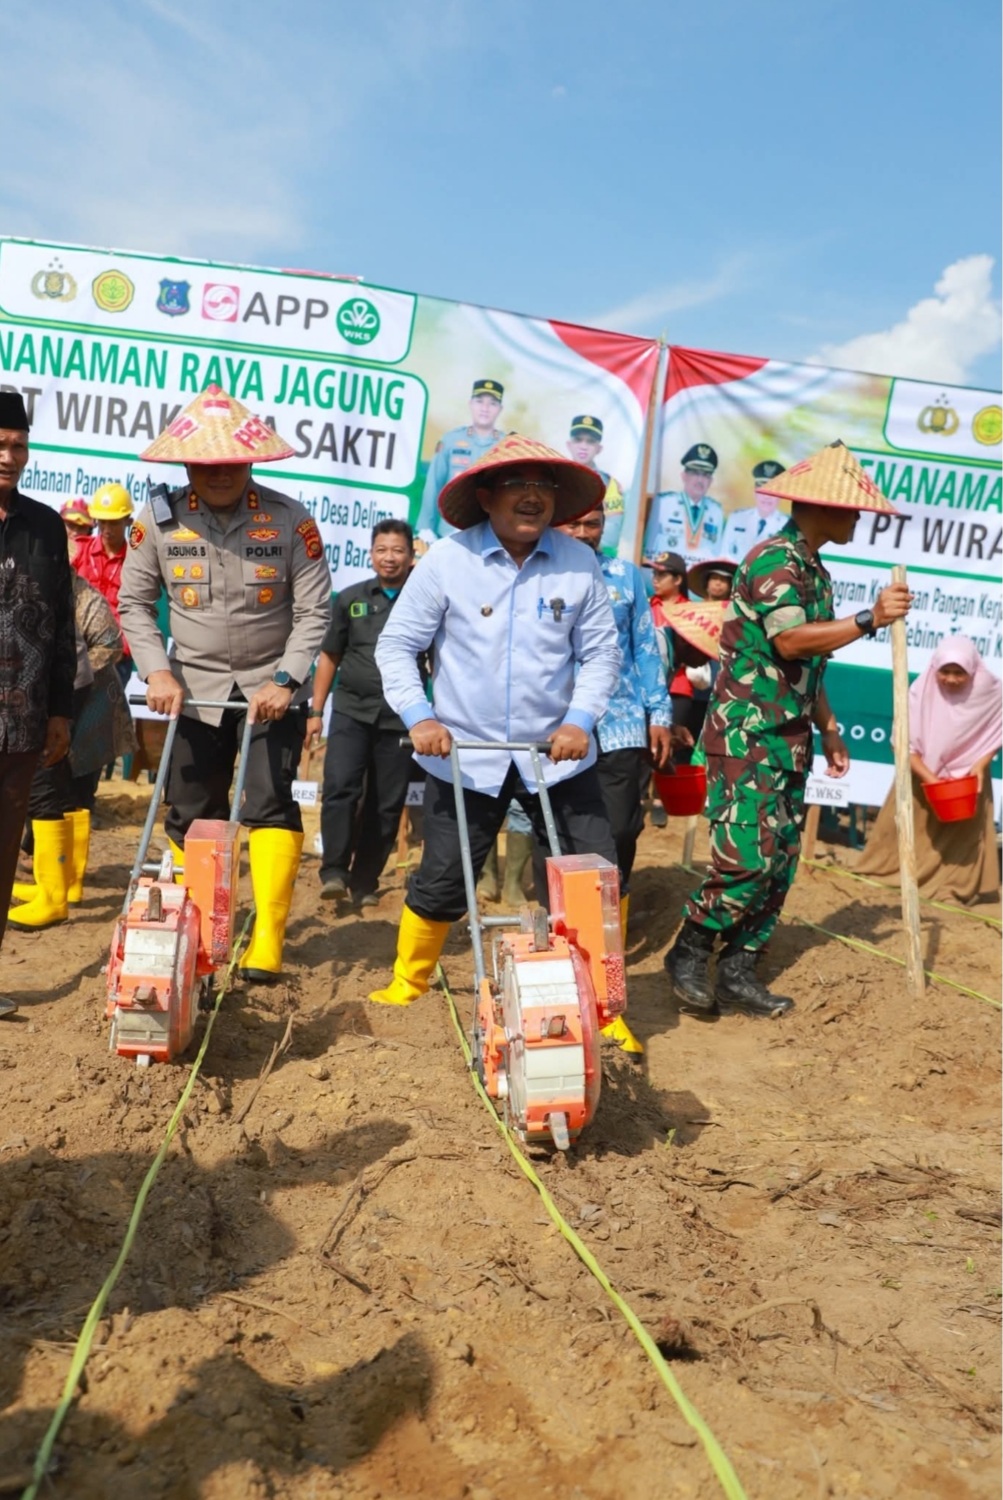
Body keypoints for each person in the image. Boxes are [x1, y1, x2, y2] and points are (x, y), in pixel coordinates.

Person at [371, 434, 621, 1023]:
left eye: (543, 486)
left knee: (591, 877)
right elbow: (397, 646)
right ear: (485, 497)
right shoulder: (446, 561)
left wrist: (579, 720)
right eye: (517, 486)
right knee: (443, 877)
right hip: (465, 751)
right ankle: (409, 983)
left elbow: (601, 654)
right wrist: (420, 716)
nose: (533, 497)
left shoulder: (578, 561)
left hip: (555, 754)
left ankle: (606, 1010)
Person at [664, 440, 913, 1019]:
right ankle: (689, 949)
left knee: (779, 862)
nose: (858, 520)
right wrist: (870, 618)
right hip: (747, 737)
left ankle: (738, 970)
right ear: (822, 506)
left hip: (788, 739)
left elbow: (808, 663)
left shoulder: (813, 570)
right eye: (851, 510)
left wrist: (829, 727)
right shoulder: (776, 561)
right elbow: (791, 641)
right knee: (746, 859)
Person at [118, 385, 331, 983]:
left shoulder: (291, 520)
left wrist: (286, 679)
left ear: (251, 462)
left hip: (273, 690)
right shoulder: (157, 521)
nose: (219, 473)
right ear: (187, 465)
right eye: (206, 463)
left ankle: (266, 940)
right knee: (191, 812)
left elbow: (315, 611)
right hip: (192, 689)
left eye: (232, 462)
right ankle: (204, 930)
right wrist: (157, 671)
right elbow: (134, 603)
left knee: (269, 804)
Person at [557, 500, 677, 919]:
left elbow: (645, 648)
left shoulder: (626, 576)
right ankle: (567, 924)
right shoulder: (542, 572)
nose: (583, 533)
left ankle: (610, 921)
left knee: (622, 827)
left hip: (620, 721)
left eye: (592, 524)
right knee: (558, 828)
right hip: (555, 723)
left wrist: (659, 714)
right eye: (573, 524)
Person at [0, 392, 76, 1015]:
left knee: (3, 850)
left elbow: (63, 626)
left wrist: (60, 712)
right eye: (0, 445)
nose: (9, 456)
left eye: (19, 446)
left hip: (21, 722)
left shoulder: (47, 526)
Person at [309, 519, 425, 908]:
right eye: (382, 550)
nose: (389, 558)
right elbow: (330, 656)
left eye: (398, 550)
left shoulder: (424, 601)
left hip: (401, 718)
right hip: (351, 711)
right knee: (340, 787)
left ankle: (365, 880)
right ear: (371, 554)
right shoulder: (350, 599)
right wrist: (316, 711)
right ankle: (334, 871)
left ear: (411, 556)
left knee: (386, 802)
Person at [9, 570, 128, 926]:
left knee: (71, 787)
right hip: (60, 698)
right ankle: (62, 884)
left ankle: (58, 891)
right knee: (58, 786)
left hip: (89, 703)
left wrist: (68, 682)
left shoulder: (83, 598)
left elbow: (110, 646)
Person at [856, 637, 1002, 905]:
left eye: (959, 672)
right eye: (945, 671)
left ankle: (954, 888)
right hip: (921, 776)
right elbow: (903, 745)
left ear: (973, 670)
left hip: (970, 782)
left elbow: (995, 734)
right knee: (906, 831)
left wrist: (980, 764)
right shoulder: (919, 692)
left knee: (965, 841)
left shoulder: (991, 693)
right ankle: (892, 874)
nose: (951, 679)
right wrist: (932, 781)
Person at [414, 379, 506, 545]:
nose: (485, 408)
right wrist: (426, 527)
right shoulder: (451, 439)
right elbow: (434, 483)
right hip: (449, 532)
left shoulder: (506, 444)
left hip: (490, 535)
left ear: (500, 409)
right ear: (470, 404)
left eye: (492, 403)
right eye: (479, 401)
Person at [73, 482, 134, 671]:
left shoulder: (137, 561)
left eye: (114, 522)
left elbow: (140, 610)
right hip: (76, 650)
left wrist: (122, 651)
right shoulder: (78, 550)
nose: (107, 528)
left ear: (128, 521)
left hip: (116, 658)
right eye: (102, 521)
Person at [641, 444, 725, 566]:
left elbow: (716, 554)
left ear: (711, 481)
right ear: (684, 476)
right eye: (695, 473)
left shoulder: (716, 511)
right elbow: (648, 550)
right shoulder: (663, 504)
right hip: (668, 572)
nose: (700, 480)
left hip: (699, 575)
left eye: (706, 475)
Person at [565, 415, 625, 555]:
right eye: (578, 440)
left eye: (590, 441)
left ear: (599, 448)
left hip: (593, 554)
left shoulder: (610, 484)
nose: (583, 446)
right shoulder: (554, 476)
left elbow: (612, 535)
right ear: (569, 444)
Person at [722, 460, 788, 561]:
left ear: (781, 494)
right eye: (763, 490)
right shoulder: (737, 519)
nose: (767, 497)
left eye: (773, 492)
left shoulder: (788, 527)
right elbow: (724, 555)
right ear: (755, 491)